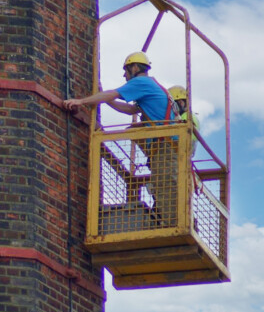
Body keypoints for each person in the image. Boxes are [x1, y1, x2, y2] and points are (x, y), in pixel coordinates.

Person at [62, 51, 178, 227]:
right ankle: (167, 222)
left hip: (164, 148)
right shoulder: (154, 87)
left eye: (126, 70)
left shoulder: (142, 82)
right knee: (165, 185)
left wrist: (81, 101)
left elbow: (114, 94)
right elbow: (129, 110)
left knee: (165, 187)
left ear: (135, 67)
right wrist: (104, 97)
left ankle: (170, 225)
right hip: (169, 148)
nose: (124, 75)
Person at [168, 85, 200, 155]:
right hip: (183, 154)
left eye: (173, 105)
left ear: (180, 102)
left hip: (179, 151)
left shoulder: (187, 117)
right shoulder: (189, 116)